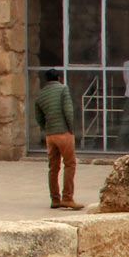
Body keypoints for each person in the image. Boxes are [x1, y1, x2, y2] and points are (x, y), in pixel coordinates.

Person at [33, 69, 83, 209]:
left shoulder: (41, 94)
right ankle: (67, 198)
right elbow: (68, 111)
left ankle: (55, 199)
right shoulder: (63, 89)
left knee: (53, 168)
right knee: (70, 164)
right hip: (63, 132)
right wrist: (71, 129)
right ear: (59, 78)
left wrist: (46, 129)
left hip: (50, 135)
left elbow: (38, 117)